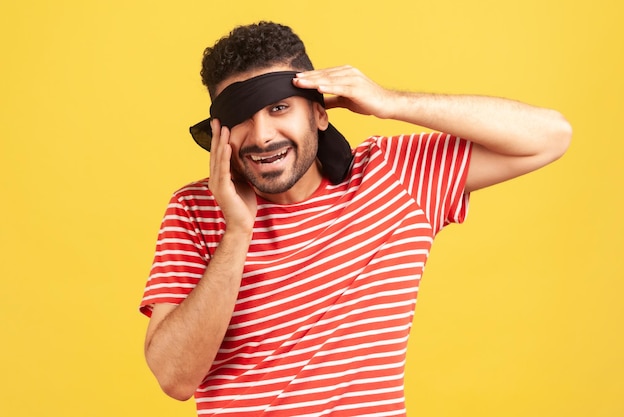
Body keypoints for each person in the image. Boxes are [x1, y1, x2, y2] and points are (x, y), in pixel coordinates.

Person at [140, 21, 571, 417]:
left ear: (319, 112)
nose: (262, 136)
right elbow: (175, 379)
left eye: (278, 109)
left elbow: (550, 137)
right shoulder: (195, 209)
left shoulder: (393, 176)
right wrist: (236, 232)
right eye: (239, 119)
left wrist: (389, 101)